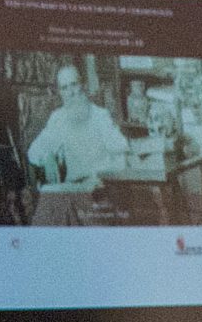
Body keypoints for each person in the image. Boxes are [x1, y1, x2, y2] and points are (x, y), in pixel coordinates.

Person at [25, 64, 130, 225]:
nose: (71, 92)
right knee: (50, 200)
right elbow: (33, 152)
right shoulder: (58, 118)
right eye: (65, 88)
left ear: (83, 85)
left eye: (74, 85)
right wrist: (46, 157)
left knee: (63, 206)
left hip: (99, 190)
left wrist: (101, 176)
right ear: (60, 92)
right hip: (71, 189)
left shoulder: (100, 116)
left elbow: (122, 148)